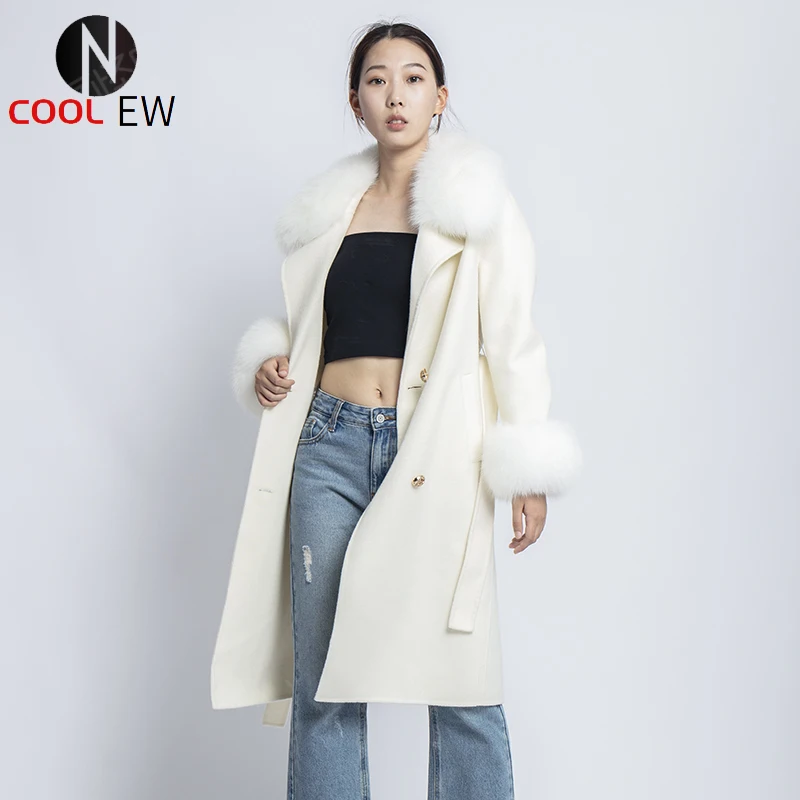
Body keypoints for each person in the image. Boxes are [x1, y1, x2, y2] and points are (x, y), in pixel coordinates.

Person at [212, 20, 583, 800]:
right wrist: (272, 362)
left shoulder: (476, 206)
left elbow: (513, 338)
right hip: (328, 447)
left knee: (461, 678)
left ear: (440, 98)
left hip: (438, 453)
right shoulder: (327, 214)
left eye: (413, 78)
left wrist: (527, 469)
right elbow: (313, 325)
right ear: (355, 101)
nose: (396, 95)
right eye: (377, 80)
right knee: (323, 679)